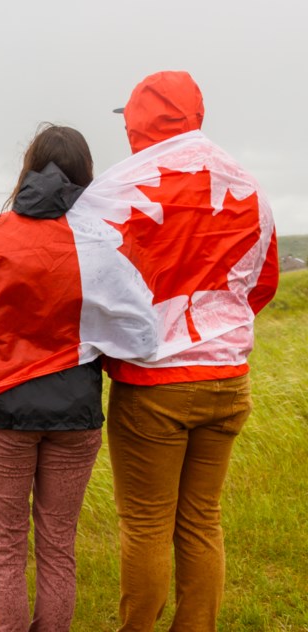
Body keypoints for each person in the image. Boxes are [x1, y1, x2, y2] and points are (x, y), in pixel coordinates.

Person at [104, 70, 278, 631]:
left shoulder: (119, 188)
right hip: (229, 379)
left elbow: (95, 288)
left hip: (153, 386)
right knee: (202, 520)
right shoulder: (249, 185)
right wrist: (213, 328)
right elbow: (263, 281)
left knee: (147, 527)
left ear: (135, 121)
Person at [0, 124, 104, 631]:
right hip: (77, 411)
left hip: (4, 410)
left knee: (5, 551)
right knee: (59, 548)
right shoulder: (99, 241)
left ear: (28, 169)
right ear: (86, 175)